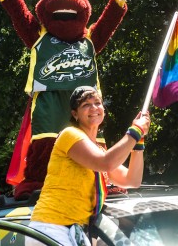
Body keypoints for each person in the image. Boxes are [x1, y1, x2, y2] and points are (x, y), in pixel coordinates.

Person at [27, 86, 150, 246]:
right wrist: (135, 131)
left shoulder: (99, 151)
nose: (94, 108)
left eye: (97, 103)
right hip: (50, 228)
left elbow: (132, 180)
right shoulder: (69, 134)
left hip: (76, 231)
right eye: (86, 105)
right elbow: (105, 162)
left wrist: (138, 142)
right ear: (74, 114)